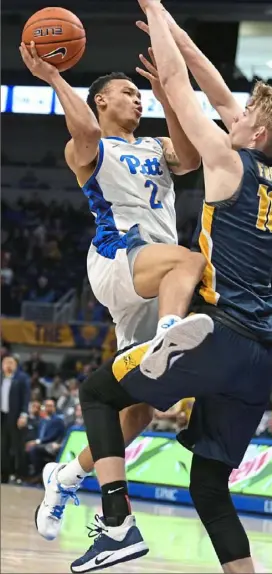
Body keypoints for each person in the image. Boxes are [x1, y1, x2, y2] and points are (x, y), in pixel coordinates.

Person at [70, 1, 272, 572]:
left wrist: (152, 4)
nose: (233, 112)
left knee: (100, 394)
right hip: (260, 358)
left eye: (244, 112)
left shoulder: (226, 158)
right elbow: (214, 85)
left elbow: (179, 83)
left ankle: (116, 524)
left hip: (219, 335)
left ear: (257, 130)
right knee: (209, 489)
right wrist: (171, 29)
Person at [19, 39, 205, 540]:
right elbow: (81, 128)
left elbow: (188, 159)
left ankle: (65, 478)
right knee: (192, 259)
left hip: (156, 276)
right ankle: (170, 329)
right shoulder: (89, 147)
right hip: (119, 259)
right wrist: (56, 78)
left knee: (137, 410)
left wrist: (168, 99)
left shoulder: (152, 147)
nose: (136, 98)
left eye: (138, 93)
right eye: (128, 92)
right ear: (101, 101)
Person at [1, 355, 30, 483]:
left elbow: (26, 397)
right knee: (3, 447)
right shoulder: (1, 377)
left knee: (17, 447)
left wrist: (24, 414)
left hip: (16, 417)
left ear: (16, 365)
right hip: (2, 417)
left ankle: (20, 475)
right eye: (5, 362)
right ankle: (4, 475)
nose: (8, 365)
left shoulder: (22, 378)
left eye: (11, 362)